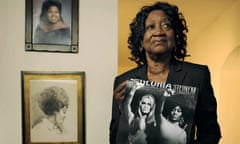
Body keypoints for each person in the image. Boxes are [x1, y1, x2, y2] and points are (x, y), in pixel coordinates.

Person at [110, 1, 221, 144]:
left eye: (166, 25)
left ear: (175, 38)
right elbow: (114, 137)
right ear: (141, 41)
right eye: (151, 27)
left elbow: (211, 133)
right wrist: (122, 110)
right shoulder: (123, 81)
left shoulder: (198, 75)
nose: (159, 32)